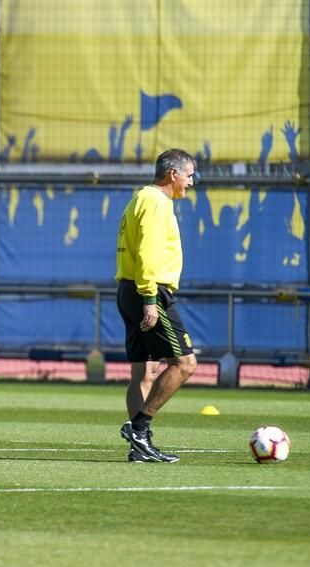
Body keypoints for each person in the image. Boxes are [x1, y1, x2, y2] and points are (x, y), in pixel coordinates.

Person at [115, 148, 199, 463]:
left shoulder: (141, 198)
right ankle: (139, 427)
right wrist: (150, 298)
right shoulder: (155, 202)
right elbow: (148, 253)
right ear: (173, 174)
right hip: (147, 291)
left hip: (128, 289)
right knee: (185, 364)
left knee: (144, 372)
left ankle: (139, 448)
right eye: (189, 175)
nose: (191, 182)